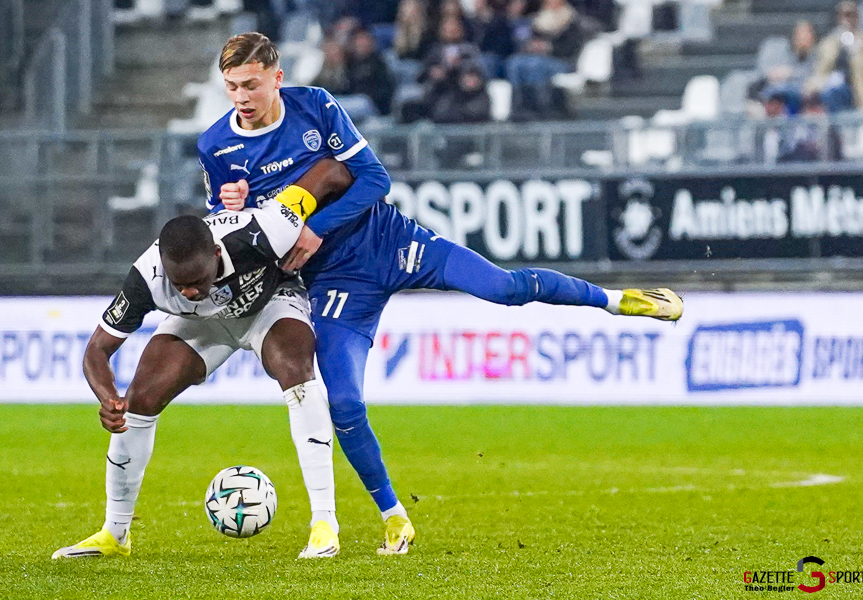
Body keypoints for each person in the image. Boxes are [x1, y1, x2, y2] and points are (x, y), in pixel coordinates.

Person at [199, 32, 684, 556]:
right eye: (232, 86)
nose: (242, 97)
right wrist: (232, 205)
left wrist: (317, 227)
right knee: (344, 404)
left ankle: (617, 299)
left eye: (251, 84)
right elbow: (231, 228)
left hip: (391, 241)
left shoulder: (315, 105)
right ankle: (394, 517)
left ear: (277, 77)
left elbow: (374, 180)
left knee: (502, 287)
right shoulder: (215, 145)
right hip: (335, 283)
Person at [52, 159, 354, 560]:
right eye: (180, 285)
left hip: (270, 304)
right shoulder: (147, 277)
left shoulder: (261, 230)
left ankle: (324, 525)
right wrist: (108, 396)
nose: (190, 291)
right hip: (203, 325)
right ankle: (115, 534)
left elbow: (331, 172)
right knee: (139, 400)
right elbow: (97, 349)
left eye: (197, 281)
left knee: (296, 370)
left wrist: (320, 225)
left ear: (216, 252)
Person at [806, 0, 863, 111]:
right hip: (832, 89)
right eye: (843, 15)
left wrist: (862, 46)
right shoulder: (829, 42)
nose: (848, 20)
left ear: (858, 17)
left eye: (851, 15)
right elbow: (821, 69)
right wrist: (837, 45)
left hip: (860, 90)